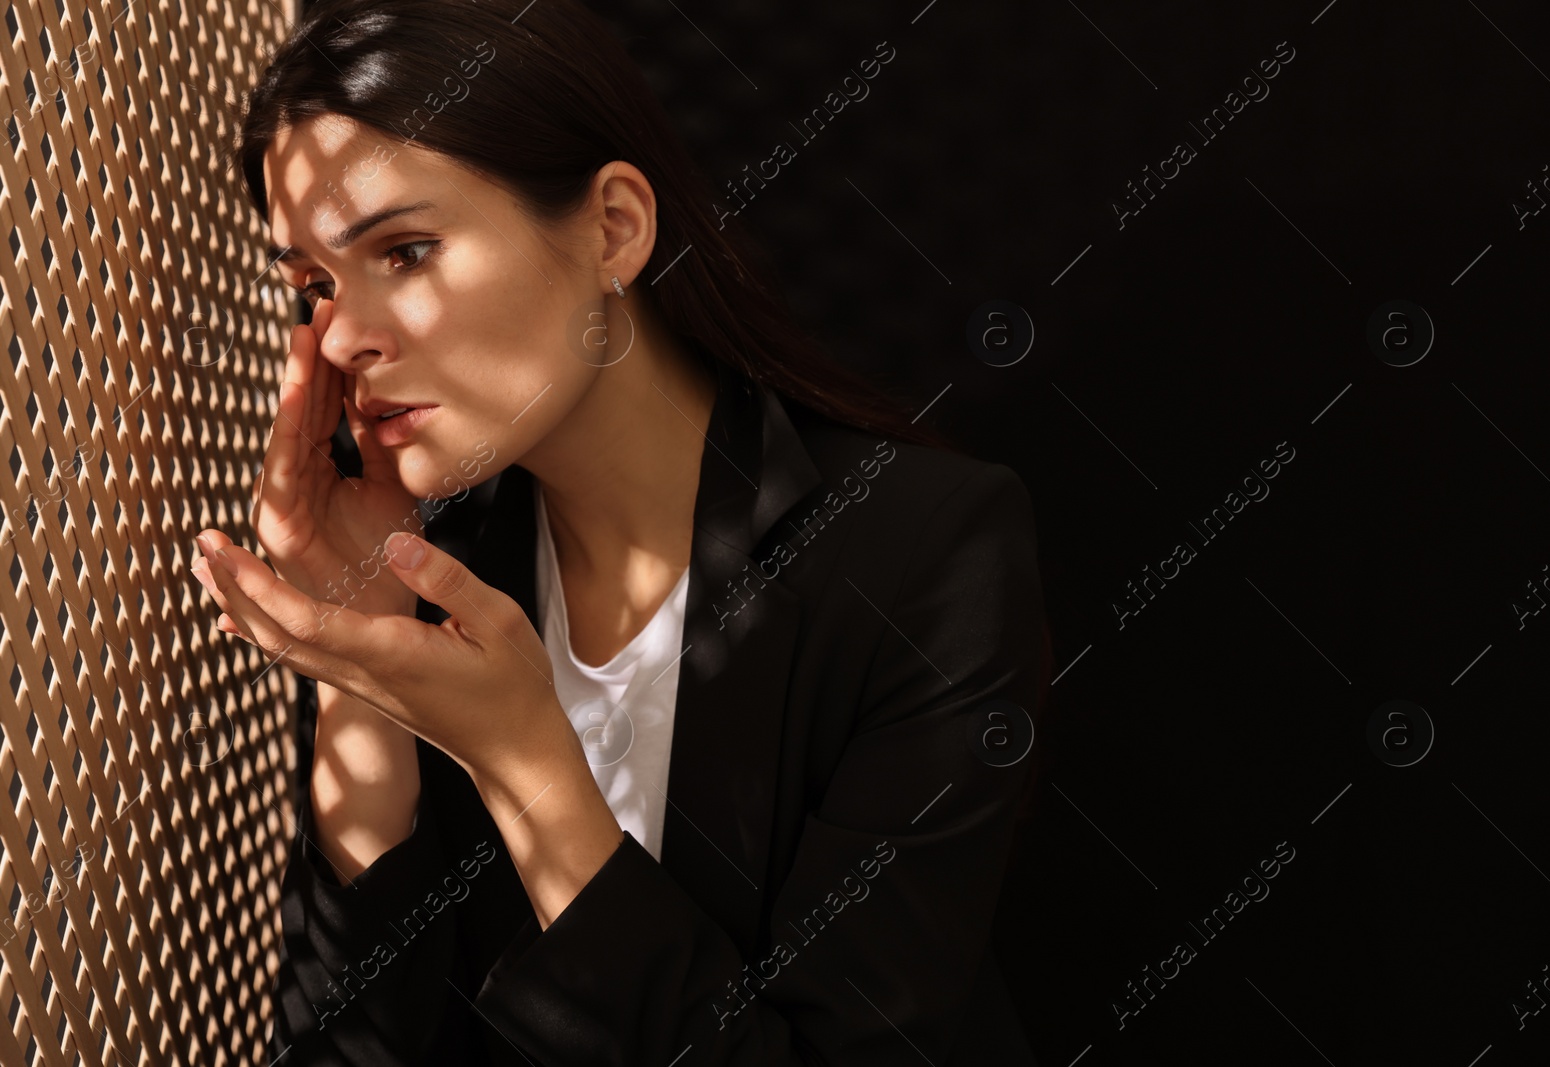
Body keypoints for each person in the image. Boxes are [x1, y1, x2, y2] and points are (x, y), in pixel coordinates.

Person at [191, 0, 1052, 1062]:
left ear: (613, 228)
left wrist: (526, 765)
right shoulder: (445, 578)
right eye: (314, 286)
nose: (348, 336)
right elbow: (359, 1049)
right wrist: (362, 676)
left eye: (405, 250)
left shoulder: (920, 554)